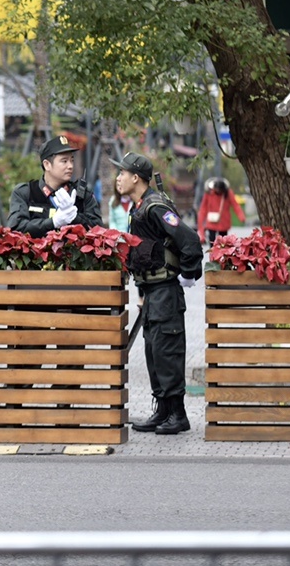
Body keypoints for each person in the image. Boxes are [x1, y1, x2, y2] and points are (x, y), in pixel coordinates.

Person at [114, 152, 203, 436]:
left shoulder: (155, 207)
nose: (118, 178)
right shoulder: (140, 207)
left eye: (122, 173)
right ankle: (163, 411)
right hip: (153, 293)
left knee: (168, 353)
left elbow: (189, 240)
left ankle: (178, 415)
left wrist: (188, 274)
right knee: (154, 354)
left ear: (135, 178)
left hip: (166, 292)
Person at [6, 135, 103, 235]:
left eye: (72, 160)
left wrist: (75, 217)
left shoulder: (81, 195)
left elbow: (99, 230)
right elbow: (16, 229)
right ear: (47, 165)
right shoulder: (26, 193)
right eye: (64, 161)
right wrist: (53, 222)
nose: (70, 166)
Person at [196, 177, 245, 245]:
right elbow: (203, 209)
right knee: (212, 240)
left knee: (223, 242)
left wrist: (241, 217)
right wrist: (200, 224)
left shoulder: (228, 193)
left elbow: (235, 205)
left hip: (223, 221)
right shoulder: (209, 193)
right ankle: (212, 251)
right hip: (212, 221)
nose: (218, 190)